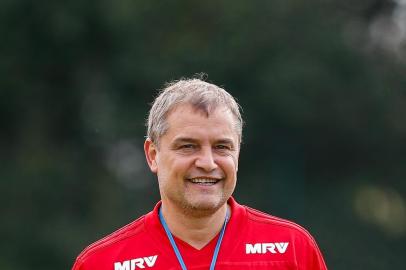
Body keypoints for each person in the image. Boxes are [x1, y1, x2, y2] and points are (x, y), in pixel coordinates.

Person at [72, 77, 327, 270]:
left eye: (222, 147)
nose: (207, 162)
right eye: (188, 146)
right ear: (152, 155)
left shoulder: (293, 250)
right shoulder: (101, 262)